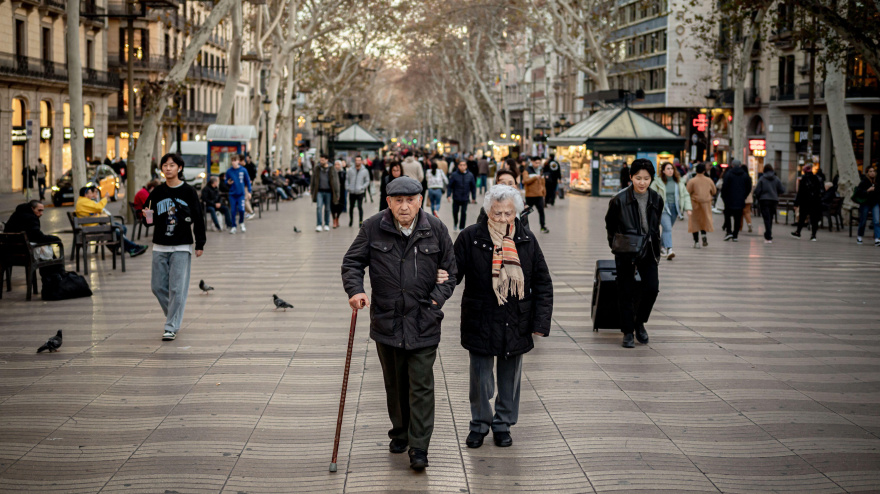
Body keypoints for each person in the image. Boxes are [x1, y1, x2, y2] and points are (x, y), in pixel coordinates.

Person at [341, 176, 457, 472]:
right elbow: (352, 262)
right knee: (395, 383)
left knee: (421, 385)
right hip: (387, 322)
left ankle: (419, 446)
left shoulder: (436, 229)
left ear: (420, 200)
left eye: (410, 200)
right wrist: (356, 290)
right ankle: (400, 432)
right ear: (388, 202)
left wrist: (435, 300)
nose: (404, 207)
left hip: (424, 321)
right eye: (398, 201)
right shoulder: (372, 228)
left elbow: (451, 272)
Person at [453, 185, 552, 449]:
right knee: (480, 379)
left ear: (516, 212)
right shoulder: (470, 237)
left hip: (516, 318)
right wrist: (437, 286)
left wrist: (540, 322)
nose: (503, 219)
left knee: (510, 379)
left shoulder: (527, 239)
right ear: (487, 211)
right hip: (480, 317)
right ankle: (479, 424)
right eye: (497, 213)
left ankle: (503, 424)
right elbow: (453, 272)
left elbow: (542, 282)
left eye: (509, 213)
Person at [142, 153, 206, 341]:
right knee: (157, 286)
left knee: (177, 288)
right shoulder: (157, 193)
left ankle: (171, 326)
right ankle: (174, 315)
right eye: (165, 165)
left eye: (172, 165)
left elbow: (198, 219)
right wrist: (147, 216)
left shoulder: (189, 192)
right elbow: (148, 221)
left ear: (179, 168)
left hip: (181, 245)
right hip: (160, 245)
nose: (168, 168)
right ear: (161, 169)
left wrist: (200, 242)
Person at [604, 159, 662, 348]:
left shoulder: (656, 199)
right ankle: (628, 332)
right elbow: (610, 224)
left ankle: (639, 322)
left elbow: (655, 225)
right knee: (625, 290)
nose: (642, 182)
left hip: (649, 249)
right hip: (626, 250)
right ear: (631, 177)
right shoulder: (619, 200)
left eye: (646, 178)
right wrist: (616, 244)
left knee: (652, 288)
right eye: (638, 178)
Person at [75, 185, 148, 257]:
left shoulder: (84, 201)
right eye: (90, 193)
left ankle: (115, 247)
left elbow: (96, 210)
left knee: (122, 228)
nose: (92, 194)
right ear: (86, 194)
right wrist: (105, 198)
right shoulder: (83, 202)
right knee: (117, 231)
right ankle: (133, 248)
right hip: (93, 227)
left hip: (96, 224)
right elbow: (99, 207)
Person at [649, 161, 692, 260]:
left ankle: (661, 246)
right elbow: (651, 195)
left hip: (675, 209)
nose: (670, 170)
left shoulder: (678, 181)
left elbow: (685, 195)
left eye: (672, 168)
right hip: (663, 209)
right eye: (668, 169)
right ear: (663, 171)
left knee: (667, 229)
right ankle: (669, 249)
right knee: (667, 228)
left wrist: (688, 208)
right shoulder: (657, 182)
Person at [4, 200, 63, 271]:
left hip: (9, 253)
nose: (41, 213)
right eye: (39, 210)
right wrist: (56, 238)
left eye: (42, 211)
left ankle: (55, 275)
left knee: (44, 248)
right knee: (45, 249)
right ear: (32, 208)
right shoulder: (32, 218)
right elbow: (38, 237)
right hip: (24, 254)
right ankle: (55, 276)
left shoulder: (16, 214)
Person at [752, 164, 785, 243]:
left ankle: (768, 235)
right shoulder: (776, 179)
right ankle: (768, 234)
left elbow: (757, 191)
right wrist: (775, 192)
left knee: (766, 218)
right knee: (770, 217)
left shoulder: (762, 179)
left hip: (764, 200)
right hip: (774, 200)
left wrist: (758, 196)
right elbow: (782, 190)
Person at [720, 160, 752, 242]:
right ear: (740, 165)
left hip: (729, 199)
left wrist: (724, 196)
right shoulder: (745, 175)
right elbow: (749, 187)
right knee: (737, 218)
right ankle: (735, 235)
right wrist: (744, 196)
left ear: (732, 165)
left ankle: (729, 231)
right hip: (740, 199)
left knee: (727, 216)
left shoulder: (728, 174)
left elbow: (724, 186)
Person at [686, 163, 716, 248]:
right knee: (704, 220)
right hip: (706, 204)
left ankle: (696, 242)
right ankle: (703, 235)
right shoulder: (709, 180)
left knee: (694, 222)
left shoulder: (692, 181)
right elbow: (714, 191)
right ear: (704, 171)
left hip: (694, 203)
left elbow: (687, 191)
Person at [791, 162, 824, 241]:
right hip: (815, 202)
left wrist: (796, 204)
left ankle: (798, 232)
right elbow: (821, 191)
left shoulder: (803, 179)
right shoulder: (817, 179)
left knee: (802, 218)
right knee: (814, 219)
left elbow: (800, 193)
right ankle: (813, 235)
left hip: (805, 202)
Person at [310, 155, 340, 231]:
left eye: (323, 160)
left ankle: (326, 224)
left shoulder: (332, 169)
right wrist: (312, 191)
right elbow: (313, 180)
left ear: (327, 160)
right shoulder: (317, 168)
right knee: (319, 207)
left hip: (329, 191)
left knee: (327, 209)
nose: (321, 162)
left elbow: (336, 181)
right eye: (320, 160)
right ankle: (319, 224)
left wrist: (337, 193)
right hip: (319, 191)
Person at [447, 160, 477, 232]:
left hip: (465, 198)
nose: (462, 167)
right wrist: (448, 195)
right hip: (456, 197)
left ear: (466, 166)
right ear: (458, 166)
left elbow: (473, 187)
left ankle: (461, 227)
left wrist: (473, 197)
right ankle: (455, 223)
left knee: (463, 213)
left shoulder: (470, 175)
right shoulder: (454, 175)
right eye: (461, 165)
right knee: (455, 212)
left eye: (464, 165)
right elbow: (450, 186)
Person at [225, 155, 251, 234]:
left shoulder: (243, 170)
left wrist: (249, 192)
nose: (233, 162)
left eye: (235, 160)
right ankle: (233, 226)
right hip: (232, 194)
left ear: (238, 161)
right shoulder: (229, 171)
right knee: (232, 211)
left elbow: (247, 181)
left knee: (241, 209)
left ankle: (241, 222)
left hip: (241, 194)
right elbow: (226, 181)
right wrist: (228, 182)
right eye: (232, 160)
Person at [854, 166, 879, 246]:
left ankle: (877, 238)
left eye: (873, 171)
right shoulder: (864, 181)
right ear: (867, 173)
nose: (872, 173)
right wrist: (868, 190)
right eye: (870, 171)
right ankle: (860, 236)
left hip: (875, 203)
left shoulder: (877, 181)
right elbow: (859, 192)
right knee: (863, 220)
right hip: (865, 203)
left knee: (876, 221)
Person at [523, 156, 548, 233]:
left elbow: (543, 183)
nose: (538, 164)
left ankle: (543, 227)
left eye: (539, 163)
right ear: (532, 162)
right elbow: (525, 181)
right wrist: (535, 177)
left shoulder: (540, 171)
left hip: (539, 195)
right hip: (530, 195)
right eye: (536, 162)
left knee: (541, 211)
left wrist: (544, 193)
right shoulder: (527, 170)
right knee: (525, 213)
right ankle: (523, 227)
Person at [347, 156, 371, 227]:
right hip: (352, 192)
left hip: (360, 192)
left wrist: (362, 187)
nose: (357, 162)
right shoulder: (350, 170)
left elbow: (367, 181)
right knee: (351, 207)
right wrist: (348, 187)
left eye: (359, 160)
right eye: (356, 160)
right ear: (355, 161)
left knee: (360, 207)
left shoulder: (365, 170)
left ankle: (360, 221)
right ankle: (351, 220)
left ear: (361, 161)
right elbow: (347, 179)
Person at [332, 160, 348, 229]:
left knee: (340, 206)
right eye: (335, 164)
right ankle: (334, 220)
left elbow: (346, 181)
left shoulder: (343, 173)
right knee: (332, 206)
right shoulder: (332, 173)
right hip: (333, 191)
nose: (337, 166)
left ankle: (337, 218)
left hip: (341, 191)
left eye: (338, 164)